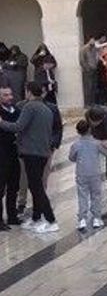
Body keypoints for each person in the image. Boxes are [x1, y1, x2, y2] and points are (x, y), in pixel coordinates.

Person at [0, 82, 57, 233]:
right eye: (5, 95)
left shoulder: (29, 107)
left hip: (32, 153)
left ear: (29, 92)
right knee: (33, 186)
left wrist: (1, 122)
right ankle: (35, 218)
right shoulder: (47, 108)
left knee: (35, 187)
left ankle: (50, 219)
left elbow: (18, 126)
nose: (10, 97)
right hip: (38, 152)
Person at [68, 119, 107, 230]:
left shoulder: (76, 144)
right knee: (96, 195)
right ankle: (96, 218)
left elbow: (71, 158)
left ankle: (82, 219)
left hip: (81, 173)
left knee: (82, 196)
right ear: (90, 130)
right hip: (95, 173)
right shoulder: (97, 143)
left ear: (78, 132)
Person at [0, 86, 20, 229]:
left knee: (14, 185)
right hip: (2, 154)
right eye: (5, 95)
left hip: (14, 153)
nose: (9, 97)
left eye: (10, 94)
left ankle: (12, 216)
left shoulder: (17, 111)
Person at [79, 38, 100, 106]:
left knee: (94, 86)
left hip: (94, 69)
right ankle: (87, 103)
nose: (93, 42)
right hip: (87, 71)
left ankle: (93, 102)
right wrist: (87, 68)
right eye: (92, 40)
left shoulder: (95, 48)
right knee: (88, 87)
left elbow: (96, 57)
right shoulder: (83, 49)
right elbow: (82, 60)